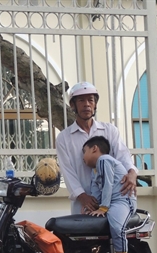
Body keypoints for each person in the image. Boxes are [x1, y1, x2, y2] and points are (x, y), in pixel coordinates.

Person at [56, 81, 138, 216]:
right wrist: (82, 197)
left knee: (115, 233)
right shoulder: (64, 138)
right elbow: (67, 172)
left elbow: (123, 156)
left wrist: (132, 173)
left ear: (95, 104)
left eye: (91, 100)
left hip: (114, 201)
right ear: (72, 105)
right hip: (84, 205)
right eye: (81, 100)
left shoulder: (110, 131)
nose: (86, 104)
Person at [82, 136, 137, 253]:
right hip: (109, 203)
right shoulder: (94, 170)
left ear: (94, 149)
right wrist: (91, 207)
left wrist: (103, 207)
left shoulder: (104, 160)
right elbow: (96, 192)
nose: (82, 158)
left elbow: (108, 184)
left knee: (116, 226)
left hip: (122, 200)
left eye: (84, 152)